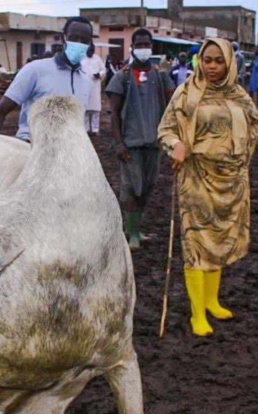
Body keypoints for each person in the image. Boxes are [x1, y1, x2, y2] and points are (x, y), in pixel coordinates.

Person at [157, 38, 258, 337]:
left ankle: (212, 300)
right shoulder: (187, 93)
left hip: (231, 179)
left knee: (221, 238)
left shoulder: (239, 95)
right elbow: (165, 129)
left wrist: (239, 157)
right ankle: (196, 313)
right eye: (207, 60)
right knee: (197, 243)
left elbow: (256, 124)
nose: (213, 66)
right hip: (196, 176)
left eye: (219, 60)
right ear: (199, 62)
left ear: (230, 63)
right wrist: (176, 144)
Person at [106, 28, 175, 250]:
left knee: (147, 187)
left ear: (151, 47)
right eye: (139, 44)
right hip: (131, 144)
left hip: (153, 144)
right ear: (132, 47)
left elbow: (172, 102)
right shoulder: (122, 77)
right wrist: (119, 143)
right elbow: (114, 114)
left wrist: (166, 75)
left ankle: (135, 228)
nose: (143, 48)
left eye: (147, 44)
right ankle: (132, 233)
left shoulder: (159, 76)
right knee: (131, 188)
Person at [0, 16, 93, 142]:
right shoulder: (35, 70)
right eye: (74, 38)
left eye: (84, 40)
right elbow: (1, 111)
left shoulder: (86, 82)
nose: (79, 43)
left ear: (90, 43)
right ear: (64, 37)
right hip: (31, 148)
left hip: (67, 153)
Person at [81, 43, 106, 136]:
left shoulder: (97, 58)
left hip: (95, 86)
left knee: (95, 110)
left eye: (92, 50)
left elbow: (103, 70)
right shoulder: (81, 58)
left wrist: (99, 74)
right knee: (85, 110)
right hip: (84, 87)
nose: (90, 52)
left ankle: (95, 129)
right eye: (89, 50)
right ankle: (86, 129)